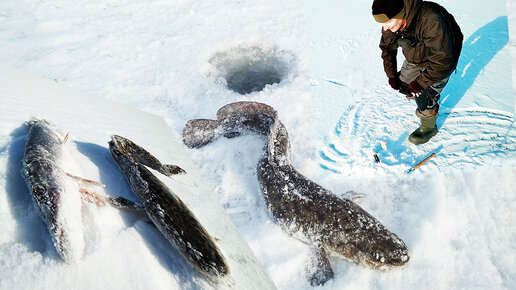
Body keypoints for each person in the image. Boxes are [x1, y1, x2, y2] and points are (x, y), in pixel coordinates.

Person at [372, 0, 463, 144]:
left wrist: (420, 83)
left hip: (442, 60)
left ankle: (429, 126)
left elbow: (443, 61)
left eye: (388, 22)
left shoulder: (431, 19)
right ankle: (424, 104)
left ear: (399, 14)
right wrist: (391, 76)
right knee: (404, 86)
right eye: (382, 24)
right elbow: (387, 49)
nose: (386, 27)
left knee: (424, 95)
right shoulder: (391, 25)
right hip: (417, 56)